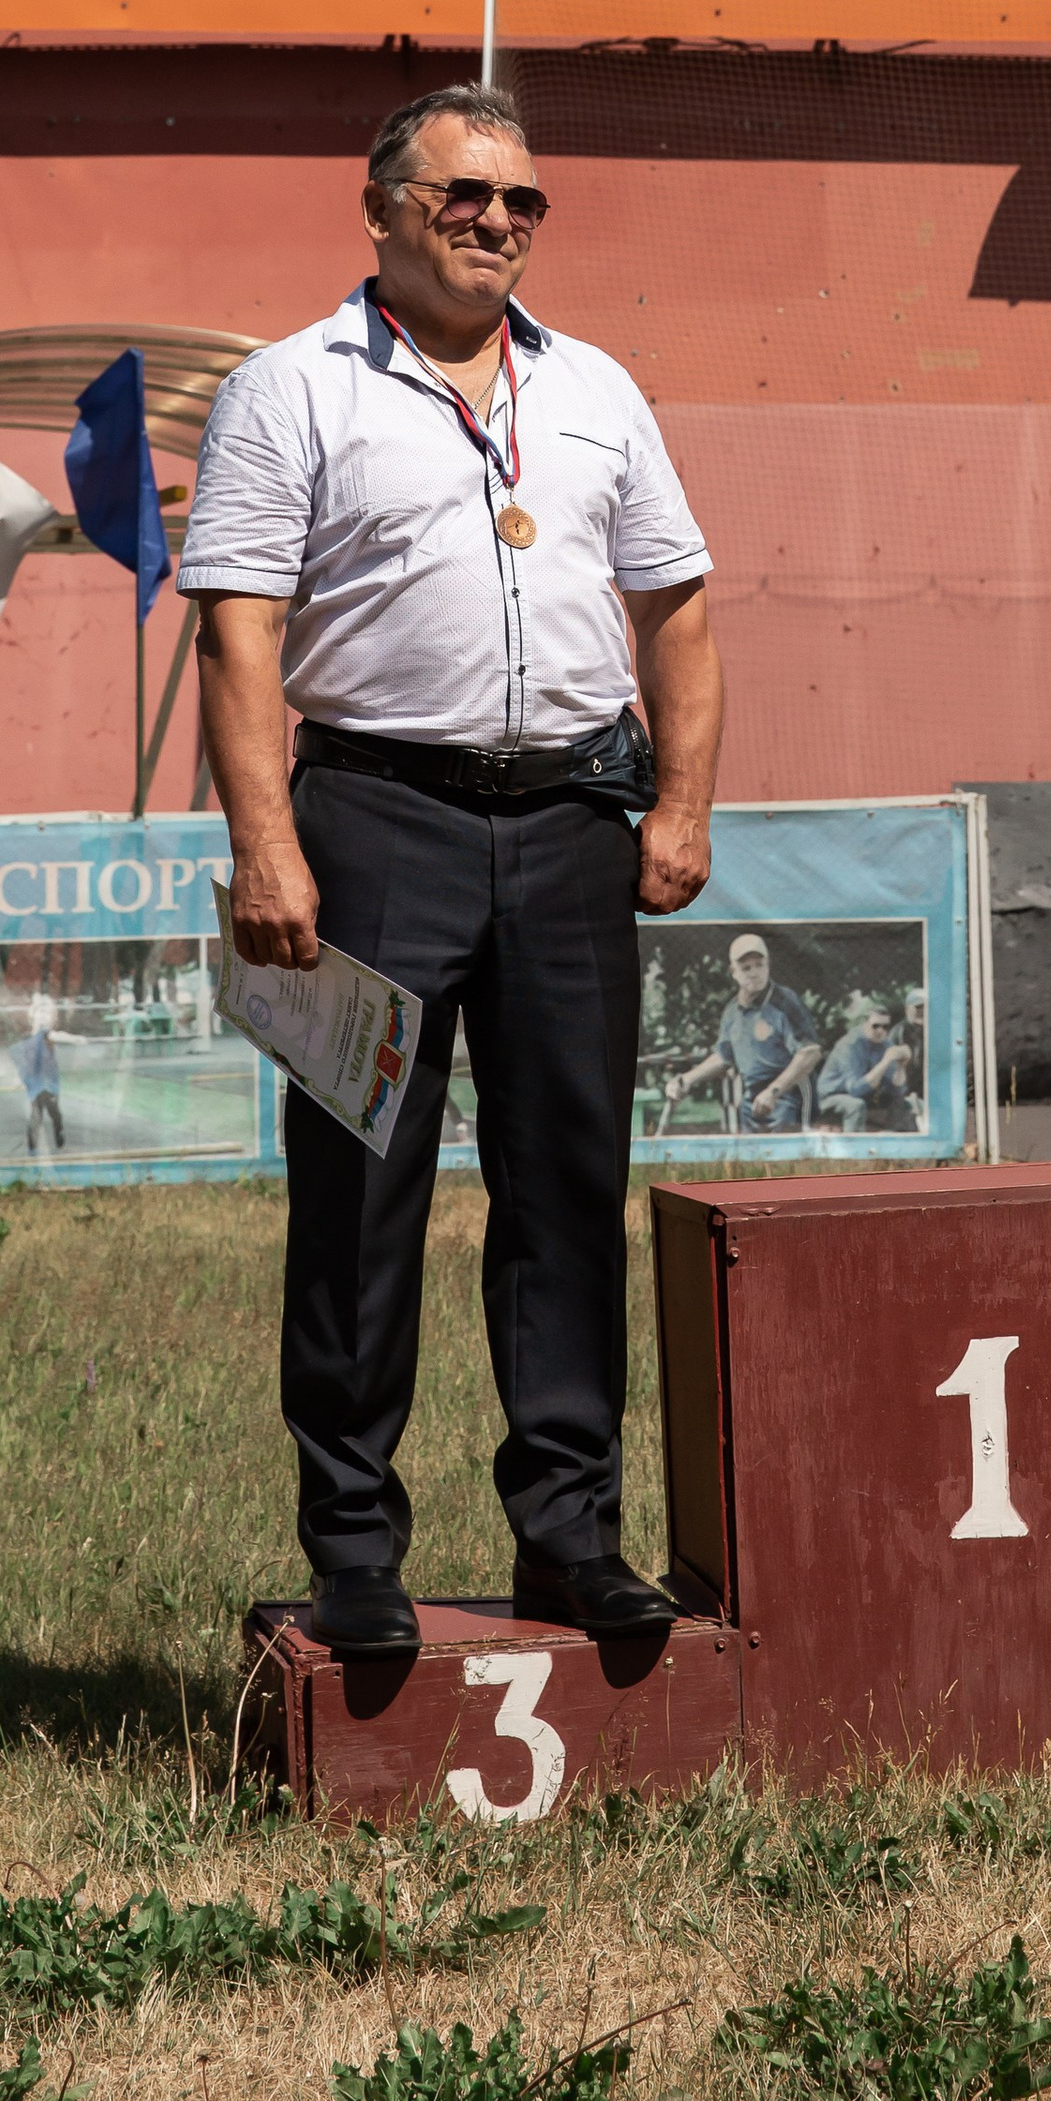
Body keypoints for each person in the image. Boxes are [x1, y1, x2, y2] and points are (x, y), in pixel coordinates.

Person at [185, 80, 725, 1662]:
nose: (495, 220)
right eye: (461, 195)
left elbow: (677, 608)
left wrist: (682, 807)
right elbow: (237, 631)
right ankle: (357, 1552)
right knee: (359, 1194)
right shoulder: (290, 389)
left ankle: (571, 1536)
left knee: (567, 1188)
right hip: (373, 827)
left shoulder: (598, 389)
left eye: (521, 200)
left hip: (571, 831)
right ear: (380, 213)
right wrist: (266, 847)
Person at [673, 932, 822, 1131]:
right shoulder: (732, 1012)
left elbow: (810, 1052)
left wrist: (773, 1091)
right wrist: (686, 1079)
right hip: (752, 1098)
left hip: (789, 1095)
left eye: (759, 965)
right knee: (749, 1150)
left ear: (768, 965)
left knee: (787, 1150)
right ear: (733, 971)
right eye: (746, 968)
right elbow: (723, 1057)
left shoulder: (786, 1003)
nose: (754, 973)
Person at [815, 1000, 913, 1132]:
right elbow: (855, 1090)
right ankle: (854, 1145)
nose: (880, 1031)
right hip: (831, 1097)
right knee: (855, 1105)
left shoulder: (886, 1044)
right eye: (875, 1026)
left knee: (903, 1103)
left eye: (885, 1027)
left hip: (866, 1097)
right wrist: (885, 1062)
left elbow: (898, 1090)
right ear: (864, 1024)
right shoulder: (849, 1045)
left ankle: (896, 1142)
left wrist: (901, 1066)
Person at [12, 996, 65, 1156]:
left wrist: (77, 1040)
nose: (43, 1017)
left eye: (47, 1013)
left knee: (54, 1112)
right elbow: (22, 1061)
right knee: (36, 1115)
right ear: (32, 1015)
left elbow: (59, 1036)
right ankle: (32, 1147)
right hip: (36, 1085)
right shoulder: (26, 1041)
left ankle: (59, 1133)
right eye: (40, 1012)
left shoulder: (47, 1035)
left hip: (49, 1084)